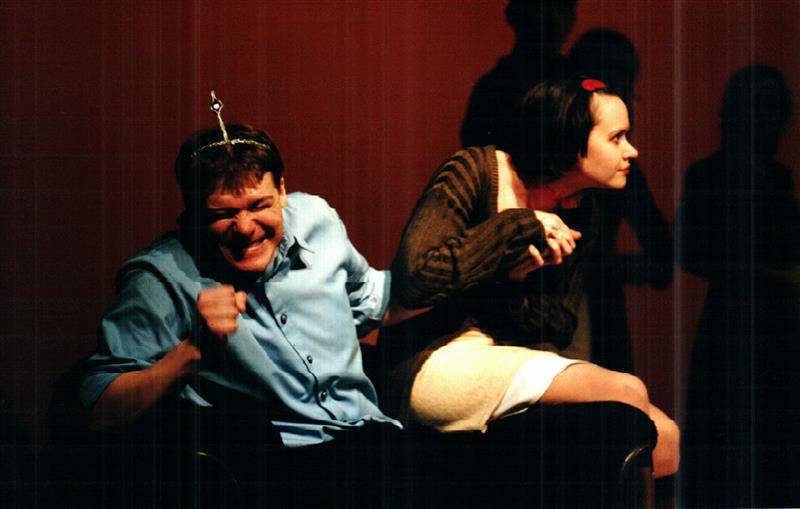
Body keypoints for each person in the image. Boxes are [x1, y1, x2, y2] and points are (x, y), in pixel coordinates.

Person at [76, 93, 422, 508]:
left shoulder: (317, 219)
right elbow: (98, 408)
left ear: (282, 190)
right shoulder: (159, 276)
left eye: (259, 205)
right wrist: (192, 352)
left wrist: (473, 277)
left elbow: (374, 302)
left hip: (375, 437)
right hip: (286, 467)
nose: (244, 227)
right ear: (193, 212)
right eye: (222, 214)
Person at [382, 78, 680, 479]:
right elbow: (416, 278)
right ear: (569, 137)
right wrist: (518, 226)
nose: (631, 150)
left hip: (504, 356)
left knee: (665, 435)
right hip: (432, 358)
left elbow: (557, 328)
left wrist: (518, 279)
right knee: (627, 391)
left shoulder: (581, 211)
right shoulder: (475, 171)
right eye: (616, 138)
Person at [677, 65, 800, 508]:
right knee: (727, 439)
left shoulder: (778, 176)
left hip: (776, 328)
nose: (767, 117)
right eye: (757, 106)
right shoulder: (710, 174)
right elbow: (691, 251)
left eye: (773, 107)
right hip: (734, 326)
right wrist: (772, 274)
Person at [567, 28, 673, 373]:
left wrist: (605, 268)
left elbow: (662, 256)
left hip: (596, 311)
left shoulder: (624, 172)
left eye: (623, 89)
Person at [460, 0, 577, 147]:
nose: (555, 18)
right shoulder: (493, 88)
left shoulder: (576, 78)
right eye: (543, 8)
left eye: (564, 8)